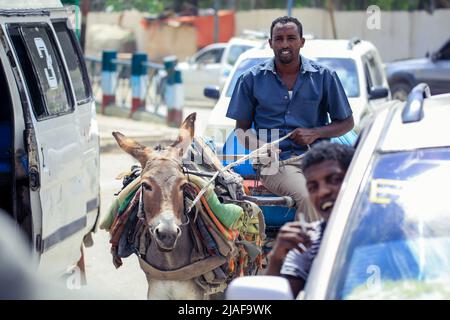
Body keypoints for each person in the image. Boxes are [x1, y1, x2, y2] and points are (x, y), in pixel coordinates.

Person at [226, 16, 354, 223]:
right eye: (279, 39)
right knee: (308, 196)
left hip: (316, 160)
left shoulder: (324, 77)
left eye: (291, 38)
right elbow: (241, 130)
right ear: (271, 43)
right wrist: (261, 146)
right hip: (273, 163)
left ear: (302, 42)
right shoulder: (250, 79)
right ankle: (310, 253)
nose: (285, 44)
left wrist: (316, 133)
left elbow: (347, 123)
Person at [265, 141, 355, 297]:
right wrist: (275, 259)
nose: (322, 192)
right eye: (313, 187)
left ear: (355, 177)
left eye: (333, 179)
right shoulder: (308, 243)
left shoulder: (389, 232)